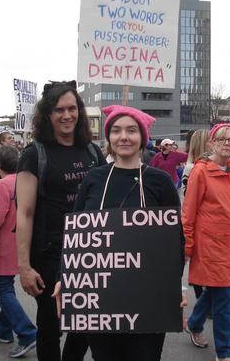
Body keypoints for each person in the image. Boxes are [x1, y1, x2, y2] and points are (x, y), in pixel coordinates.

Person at [53, 105, 184, 361]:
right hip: (100, 302)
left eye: (132, 130)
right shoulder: (93, 179)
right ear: (109, 137)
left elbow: (174, 241)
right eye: (116, 130)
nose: (124, 136)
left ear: (143, 138)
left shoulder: (160, 181)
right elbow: (75, 237)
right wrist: (63, 277)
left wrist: (172, 289)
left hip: (148, 302)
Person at [16, 81, 105, 361]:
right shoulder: (35, 154)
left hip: (88, 253)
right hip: (49, 255)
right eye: (59, 110)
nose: (67, 115)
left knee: (85, 324)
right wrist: (24, 266)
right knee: (50, 327)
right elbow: (25, 213)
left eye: (72, 108)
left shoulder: (92, 152)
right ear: (48, 115)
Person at [182, 123, 230, 361]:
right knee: (224, 300)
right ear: (211, 143)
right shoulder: (200, 172)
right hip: (210, 247)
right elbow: (188, 212)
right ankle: (226, 353)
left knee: (216, 293)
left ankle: (194, 323)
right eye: (221, 139)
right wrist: (188, 245)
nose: (226, 143)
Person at [0, 145, 37, 358]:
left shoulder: (1, 185)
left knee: (1, 289)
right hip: (24, 243)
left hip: (3, 245)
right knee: (6, 288)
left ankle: (27, 332)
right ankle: (2, 329)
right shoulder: (27, 181)